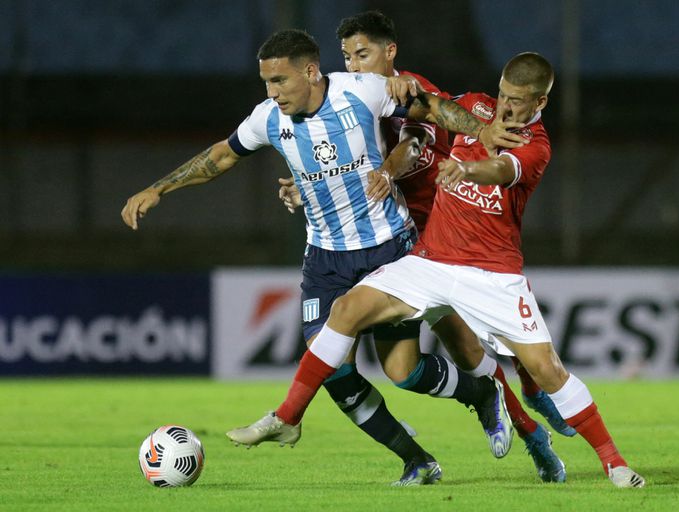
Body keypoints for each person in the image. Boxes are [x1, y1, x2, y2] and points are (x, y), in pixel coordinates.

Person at [121, 29, 521, 486]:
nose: (272, 93)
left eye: (280, 81)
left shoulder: (359, 92)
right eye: (266, 83)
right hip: (325, 260)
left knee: (403, 372)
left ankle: (481, 393)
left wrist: (482, 129)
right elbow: (221, 155)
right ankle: (417, 461)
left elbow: (429, 107)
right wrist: (159, 188)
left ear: (310, 72)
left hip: (386, 249)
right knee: (330, 368)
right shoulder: (268, 118)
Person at [237, 52, 646, 489]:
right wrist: (397, 81)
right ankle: (288, 416)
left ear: (540, 102)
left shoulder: (536, 145)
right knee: (346, 311)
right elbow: (426, 105)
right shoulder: (475, 108)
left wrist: (466, 167)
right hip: (430, 260)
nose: (507, 107)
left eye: (518, 102)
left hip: (492, 274)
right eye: (503, 94)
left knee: (547, 370)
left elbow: (500, 169)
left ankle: (613, 462)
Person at [278, 10, 570, 482]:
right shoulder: (343, 98)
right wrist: (301, 187)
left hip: (445, 232)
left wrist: (390, 169)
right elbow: (333, 165)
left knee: (491, 348)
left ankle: (533, 416)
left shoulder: (410, 90)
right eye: (348, 56)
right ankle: (516, 432)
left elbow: (414, 141)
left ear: (389, 52)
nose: (354, 65)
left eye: (364, 54)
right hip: (394, 243)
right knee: (432, 358)